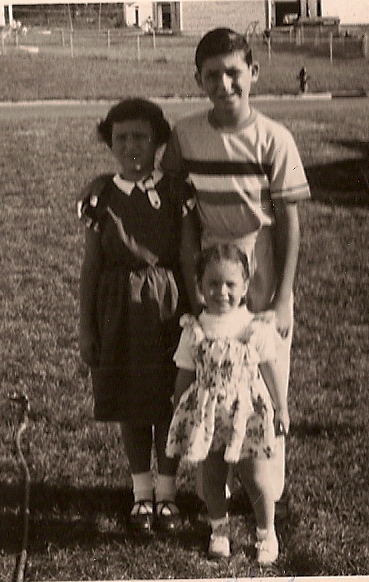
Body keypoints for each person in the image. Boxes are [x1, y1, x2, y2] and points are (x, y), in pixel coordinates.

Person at [161, 27, 311, 503]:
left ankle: (266, 488)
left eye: (233, 72)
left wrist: (283, 298)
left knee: (264, 385)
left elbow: (289, 222)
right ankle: (217, 491)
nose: (224, 84)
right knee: (213, 383)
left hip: (261, 274)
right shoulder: (186, 134)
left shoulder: (276, 139)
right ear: (199, 79)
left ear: (254, 73)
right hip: (211, 278)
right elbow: (172, 199)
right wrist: (192, 283)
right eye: (212, 75)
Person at [77, 98, 195, 534]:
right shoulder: (100, 195)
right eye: (121, 137)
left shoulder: (177, 191)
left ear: (158, 141)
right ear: (109, 141)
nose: (131, 145)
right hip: (118, 311)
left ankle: (167, 493)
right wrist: (86, 324)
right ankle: (140, 493)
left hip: (167, 308)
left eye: (141, 137)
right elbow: (91, 265)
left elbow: (185, 253)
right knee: (130, 403)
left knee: (168, 399)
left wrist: (197, 313)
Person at [166, 243, 289, 563]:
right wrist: (181, 408)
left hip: (247, 412)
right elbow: (185, 373)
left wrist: (281, 406)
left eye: (230, 284)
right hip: (209, 415)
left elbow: (270, 368)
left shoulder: (253, 327)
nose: (222, 292)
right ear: (201, 288)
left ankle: (266, 531)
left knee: (254, 474)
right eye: (213, 284)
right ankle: (218, 530)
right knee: (213, 475)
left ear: (245, 286)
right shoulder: (195, 329)